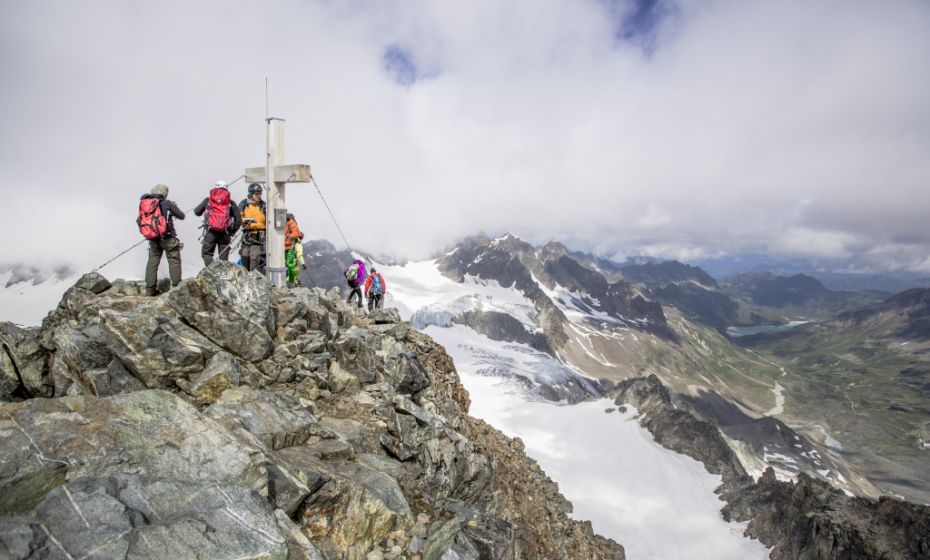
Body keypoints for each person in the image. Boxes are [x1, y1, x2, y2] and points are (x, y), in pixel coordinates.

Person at [138, 184, 185, 296]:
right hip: (168, 238)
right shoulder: (166, 203)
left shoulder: (144, 204)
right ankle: (176, 289)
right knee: (174, 261)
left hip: (153, 239)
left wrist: (148, 232)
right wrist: (174, 207)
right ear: (165, 194)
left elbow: (138, 220)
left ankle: (150, 290)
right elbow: (181, 216)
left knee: (152, 263)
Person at [193, 180, 242, 266]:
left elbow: (197, 212)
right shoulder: (231, 203)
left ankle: (212, 272)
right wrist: (232, 231)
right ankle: (222, 277)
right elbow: (238, 220)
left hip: (211, 231)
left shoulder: (208, 200)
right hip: (225, 233)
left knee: (206, 254)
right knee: (223, 259)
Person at [238, 183, 266, 273]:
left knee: (254, 258)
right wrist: (245, 221)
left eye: (260, 194)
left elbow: (268, 220)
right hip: (247, 235)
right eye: (256, 194)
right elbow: (239, 217)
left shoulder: (263, 205)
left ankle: (253, 280)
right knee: (244, 255)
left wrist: (254, 225)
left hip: (259, 236)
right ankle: (245, 277)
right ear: (250, 194)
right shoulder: (244, 204)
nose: (259, 196)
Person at [284, 213, 305, 288]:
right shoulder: (298, 243)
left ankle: (290, 283)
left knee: (288, 268)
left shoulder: (292, 239)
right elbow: (299, 255)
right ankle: (293, 283)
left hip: (286, 250)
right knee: (293, 270)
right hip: (293, 257)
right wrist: (303, 264)